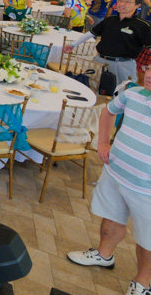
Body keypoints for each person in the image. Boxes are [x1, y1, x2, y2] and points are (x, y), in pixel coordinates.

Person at [66, 70, 151, 295]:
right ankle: (104, 255)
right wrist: (103, 141)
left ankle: (143, 283)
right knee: (110, 221)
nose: (149, 74)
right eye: (150, 68)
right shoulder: (133, 94)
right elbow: (107, 112)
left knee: (147, 241)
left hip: (147, 189)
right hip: (116, 175)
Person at [64, 0, 151, 85]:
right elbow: (91, 33)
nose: (122, 4)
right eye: (120, 0)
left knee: (119, 93)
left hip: (122, 65)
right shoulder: (110, 20)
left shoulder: (142, 25)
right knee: (92, 88)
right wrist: (73, 44)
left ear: (138, 5)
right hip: (99, 60)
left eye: (128, 1)